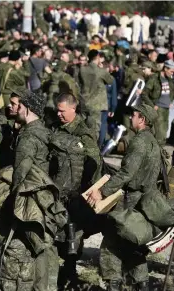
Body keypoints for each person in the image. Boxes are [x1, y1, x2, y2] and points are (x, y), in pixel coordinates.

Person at [0, 90, 65, 291]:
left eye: (19, 106)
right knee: (45, 247)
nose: (16, 109)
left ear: (27, 108)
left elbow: (20, 173)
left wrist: (12, 203)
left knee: (31, 247)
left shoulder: (28, 137)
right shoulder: (43, 131)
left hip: (30, 199)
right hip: (45, 197)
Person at [87, 104, 161, 291]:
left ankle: (113, 283)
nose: (131, 118)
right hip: (145, 198)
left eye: (134, 115)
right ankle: (142, 283)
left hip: (131, 200)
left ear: (142, 119)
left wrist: (102, 191)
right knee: (132, 243)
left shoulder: (139, 142)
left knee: (111, 241)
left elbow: (127, 173)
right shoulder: (153, 141)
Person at [49, 93, 102, 290]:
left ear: (73, 109)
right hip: (57, 188)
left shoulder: (83, 132)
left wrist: (82, 186)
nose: (59, 114)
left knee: (73, 233)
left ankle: (70, 270)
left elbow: (94, 161)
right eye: (57, 110)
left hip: (75, 193)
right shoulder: (55, 127)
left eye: (62, 111)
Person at [78, 49, 115, 136]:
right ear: (98, 57)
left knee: (82, 126)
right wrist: (102, 69)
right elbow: (110, 81)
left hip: (84, 102)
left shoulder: (82, 70)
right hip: (96, 104)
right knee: (94, 129)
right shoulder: (100, 71)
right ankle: (93, 147)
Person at [141, 59, 174, 145]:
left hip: (167, 109)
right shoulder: (154, 78)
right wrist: (152, 105)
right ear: (165, 68)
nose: (172, 73)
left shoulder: (170, 80)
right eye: (171, 71)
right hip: (158, 108)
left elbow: (172, 91)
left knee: (164, 133)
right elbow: (144, 94)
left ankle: (159, 153)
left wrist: (171, 101)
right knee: (158, 133)